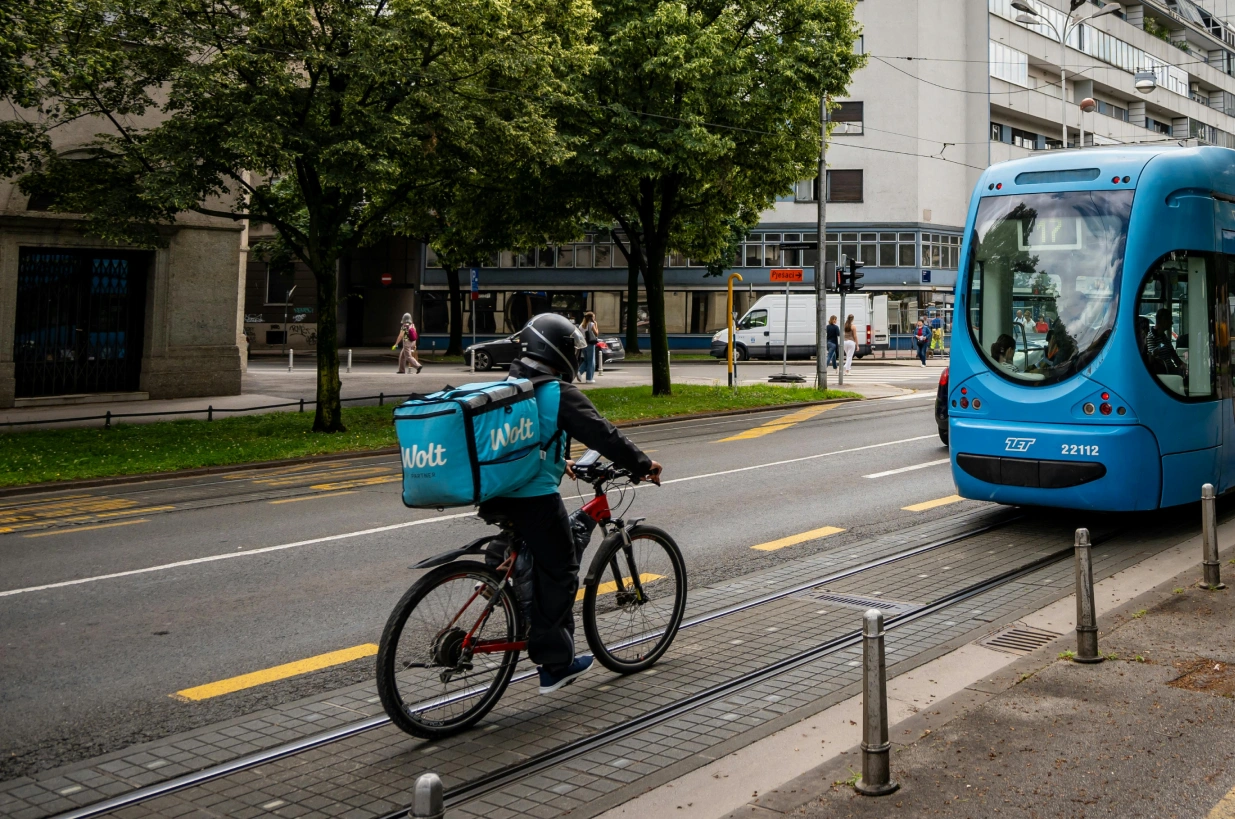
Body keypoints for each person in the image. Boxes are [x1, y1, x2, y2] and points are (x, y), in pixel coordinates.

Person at [480, 313, 662, 694]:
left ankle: (499, 572)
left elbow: (518, 439)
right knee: (562, 565)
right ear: (558, 351)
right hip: (532, 498)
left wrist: (556, 461)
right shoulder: (556, 392)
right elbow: (603, 435)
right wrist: (642, 465)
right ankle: (554, 663)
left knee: (531, 548)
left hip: (497, 490)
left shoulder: (511, 385)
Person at [578, 311, 599, 383]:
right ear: (592, 318)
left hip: (583, 343)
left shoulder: (581, 325)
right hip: (590, 344)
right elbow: (596, 334)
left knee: (586, 360)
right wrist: (596, 325)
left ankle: (579, 372)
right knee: (591, 361)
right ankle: (589, 378)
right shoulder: (591, 324)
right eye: (594, 317)